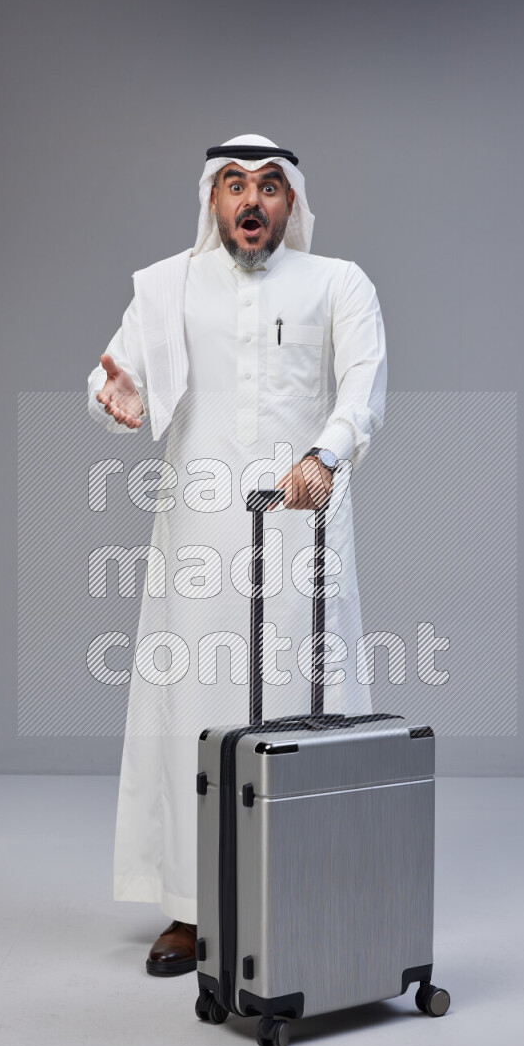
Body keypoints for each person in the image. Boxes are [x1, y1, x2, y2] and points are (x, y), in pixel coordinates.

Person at [86, 134, 387, 976]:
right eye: (232, 184)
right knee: (194, 705)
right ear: (212, 200)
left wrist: (325, 453)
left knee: (308, 704)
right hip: (200, 532)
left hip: (303, 525)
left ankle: (310, 891)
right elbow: (114, 377)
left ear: (290, 202)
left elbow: (364, 383)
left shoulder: (339, 283)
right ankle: (192, 907)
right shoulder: (168, 287)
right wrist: (111, 397)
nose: (250, 200)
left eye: (267, 186)